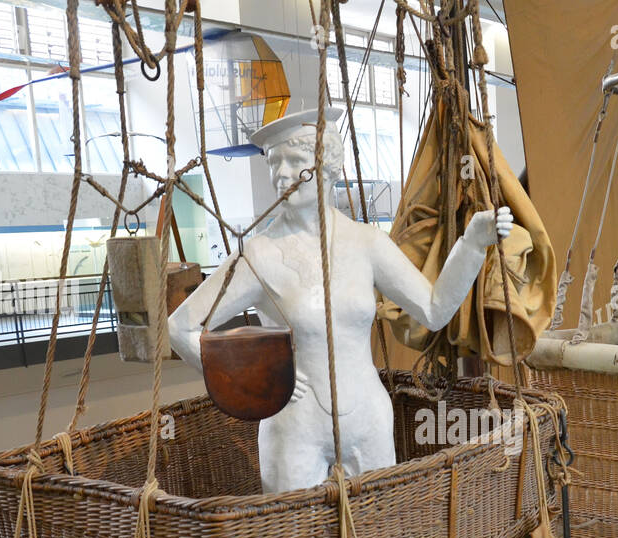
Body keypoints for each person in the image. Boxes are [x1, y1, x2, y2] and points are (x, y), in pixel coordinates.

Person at [168, 108, 514, 493]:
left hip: (367, 418)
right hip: (293, 423)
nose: (281, 174)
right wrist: (252, 380)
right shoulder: (258, 256)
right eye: (274, 164)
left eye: (295, 162)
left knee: (377, 536)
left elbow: (434, 310)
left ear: (327, 166)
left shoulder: (366, 244)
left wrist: (471, 245)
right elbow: (179, 327)